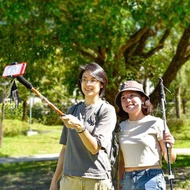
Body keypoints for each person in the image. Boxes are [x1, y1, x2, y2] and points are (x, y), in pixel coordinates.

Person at [49, 62, 117, 190]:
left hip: (96, 179)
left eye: (93, 80)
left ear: (101, 84)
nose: (87, 84)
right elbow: (65, 148)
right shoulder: (72, 110)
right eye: (84, 80)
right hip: (69, 179)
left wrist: (80, 128)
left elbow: (94, 148)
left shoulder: (106, 110)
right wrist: (54, 181)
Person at [115, 80, 177, 190]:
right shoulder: (120, 127)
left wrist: (170, 146)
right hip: (127, 180)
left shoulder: (156, 123)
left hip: (151, 179)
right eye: (123, 97)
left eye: (132, 95)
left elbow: (170, 159)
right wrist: (119, 186)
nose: (127, 100)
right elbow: (121, 162)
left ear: (143, 99)